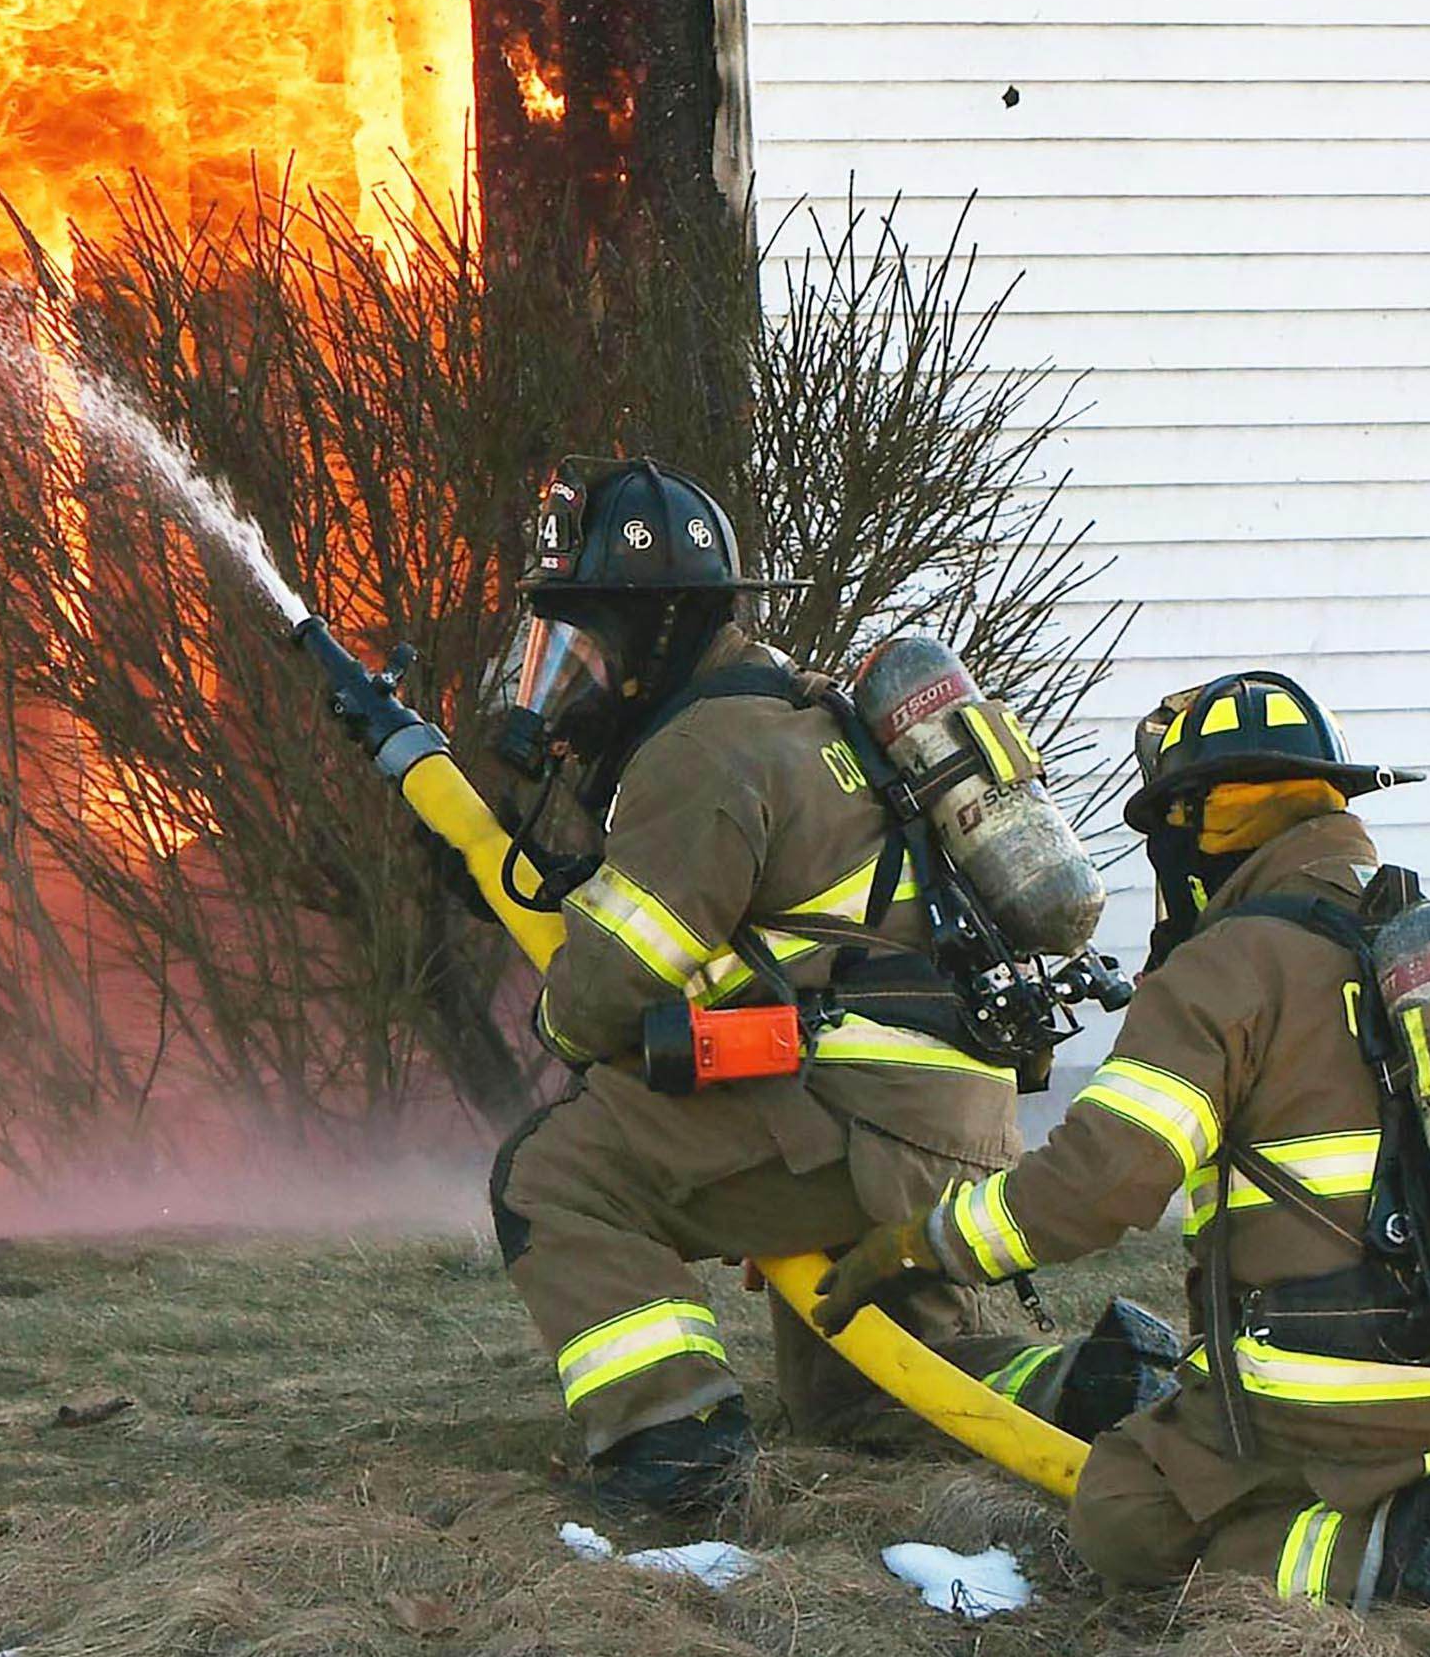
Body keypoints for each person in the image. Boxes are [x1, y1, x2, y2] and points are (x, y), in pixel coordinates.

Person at [818, 670, 1430, 1619]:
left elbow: (1094, 1186)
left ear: (1196, 830)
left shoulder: (1225, 973)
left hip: (1336, 1414)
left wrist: (916, 1245)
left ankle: (1390, 1555)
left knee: (1125, 1511)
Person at [466, 464, 1144, 1518]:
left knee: (548, 1175)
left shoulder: (702, 753)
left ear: (659, 633)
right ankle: (1092, 1388)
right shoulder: (804, 715)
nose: (572, 677)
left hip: (851, 1117)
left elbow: (599, 1001)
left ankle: (672, 1441)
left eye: (587, 643)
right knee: (855, 1385)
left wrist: (556, 1001)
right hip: (939, 1123)